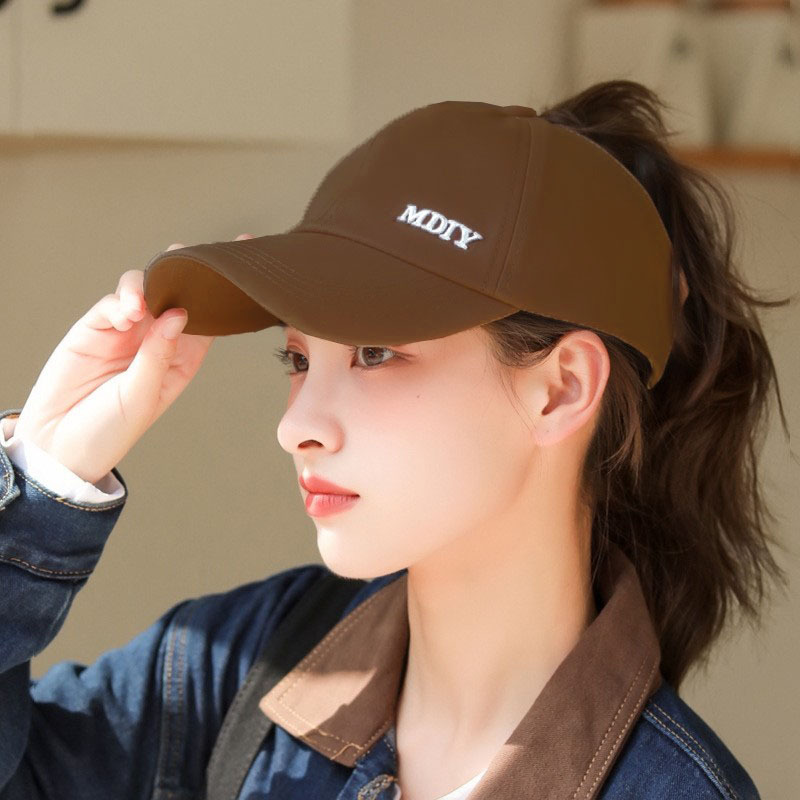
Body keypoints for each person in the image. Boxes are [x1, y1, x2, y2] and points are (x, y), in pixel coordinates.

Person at [0, 80, 793, 800]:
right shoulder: (235, 667)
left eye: (374, 353)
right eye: (297, 359)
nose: (295, 427)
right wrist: (44, 478)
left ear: (561, 388)